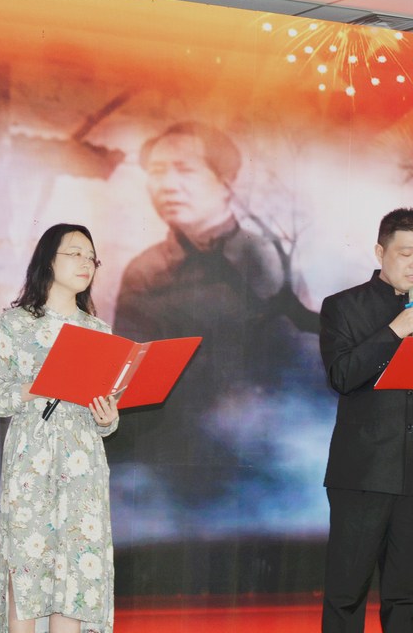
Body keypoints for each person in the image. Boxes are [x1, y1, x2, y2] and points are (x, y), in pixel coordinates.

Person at [110, 122, 320, 526]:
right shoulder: (144, 272)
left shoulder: (267, 259)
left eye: (185, 170)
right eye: (157, 171)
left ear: (225, 183)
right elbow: (131, 384)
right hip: (170, 475)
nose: (167, 185)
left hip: (264, 473)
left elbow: (302, 369)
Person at [318, 208, 413, 633]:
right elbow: (341, 376)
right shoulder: (342, 307)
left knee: (405, 595)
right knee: (347, 592)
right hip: (363, 473)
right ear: (380, 252)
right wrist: (394, 331)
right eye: (405, 253)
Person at [0, 223, 119, 633]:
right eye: (74, 253)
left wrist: (107, 418)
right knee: (28, 569)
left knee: (75, 576)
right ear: (48, 260)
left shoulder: (99, 331)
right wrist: (36, 386)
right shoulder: (14, 325)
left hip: (83, 466)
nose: (85, 263)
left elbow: (107, 417)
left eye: (91, 257)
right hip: (31, 462)